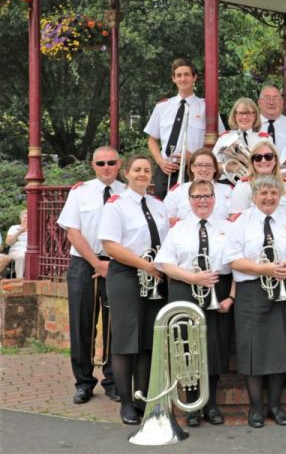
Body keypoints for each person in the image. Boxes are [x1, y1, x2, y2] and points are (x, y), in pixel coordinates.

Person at [225, 175, 286, 429]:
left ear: (280, 194)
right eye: (264, 193)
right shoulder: (241, 222)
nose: (269, 197)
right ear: (254, 196)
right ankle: (256, 407)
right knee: (253, 349)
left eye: (273, 192)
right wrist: (265, 269)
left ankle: (275, 405)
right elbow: (233, 259)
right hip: (252, 291)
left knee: (282, 346)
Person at [155, 179, 235, 427]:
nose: (202, 200)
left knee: (215, 346)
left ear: (215, 198)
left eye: (207, 195)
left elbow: (238, 265)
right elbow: (165, 263)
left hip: (218, 288)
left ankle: (210, 404)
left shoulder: (228, 227)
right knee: (188, 347)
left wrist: (231, 296)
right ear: (189, 201)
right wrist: (193, 277)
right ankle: (192, 404)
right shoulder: (178, 229)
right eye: (197, 196)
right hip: (185, 287)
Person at [98, 155, 169, 425]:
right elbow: (110, 246)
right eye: (137, 169)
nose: (143, 174)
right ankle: (126, 403)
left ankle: (143, 400)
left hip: (155, 276)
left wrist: (158, 267)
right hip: (127, 274)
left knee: (148, 342)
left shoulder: (158, 204)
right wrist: (144, 265)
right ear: (126, 173)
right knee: (126, 341)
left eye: (147, 170)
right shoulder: (116, 205)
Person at [57, 146, 125, 405]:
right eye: (100, 163)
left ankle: (112, 380)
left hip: (117, 264)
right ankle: (83, 382)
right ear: (93, 166)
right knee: (81, 324)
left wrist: (110, 263)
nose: (106, 167)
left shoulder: (127, 193)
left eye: (111, 162)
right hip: (84, 263)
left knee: (114, 326)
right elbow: (72, 232)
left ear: (119, 165)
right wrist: (97, 263)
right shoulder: (80, 192)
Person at [144, 58, 224, 199]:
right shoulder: (162, 107)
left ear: (194, 78)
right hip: (166, 170)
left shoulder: (207, 107)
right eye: (179, 75)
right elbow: (151, 140)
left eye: (187, 74)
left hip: (194, 170)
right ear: (174, 79)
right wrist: (160, 161)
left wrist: (194, 158)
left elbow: (221, 141)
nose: (183, 79)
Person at [229, 139, 286, 215]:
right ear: (252, 162)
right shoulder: (243, 187)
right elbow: (235, 221)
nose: (263, 160)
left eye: (268, 156)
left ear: (275, 160)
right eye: (258, 157)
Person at [164, 148, 232, 224]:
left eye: (208, 165)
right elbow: (167, 220)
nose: (204, 169)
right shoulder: (177, 192)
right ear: (192, 168)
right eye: (199, 165)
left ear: (215, 168)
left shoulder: (228, 191)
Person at [212, 98, 264, 183]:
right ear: (235, 116)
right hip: (228, 185)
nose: (244, 117)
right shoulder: (224, 138)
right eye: (240, 113)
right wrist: (228, 167)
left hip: (258, 184)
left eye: (248, 113)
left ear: (255, 116)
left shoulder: (264, 139)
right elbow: (212, 164)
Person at [258, 85, 286, 155]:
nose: (271, 102)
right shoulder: (251, 125)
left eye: (275, 98)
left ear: (282, 102)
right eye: (267, 98)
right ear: (259, 103)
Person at [6, 209, 27, 279]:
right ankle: (20, 279)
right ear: (20, 218)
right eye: (25, 218)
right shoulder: (14, 228)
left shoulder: (34, 229)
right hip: (15, 251)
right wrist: (20, 232)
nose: (26, 220)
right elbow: (8, 242)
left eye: (28, 218)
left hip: (28, 250)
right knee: (22, 256)